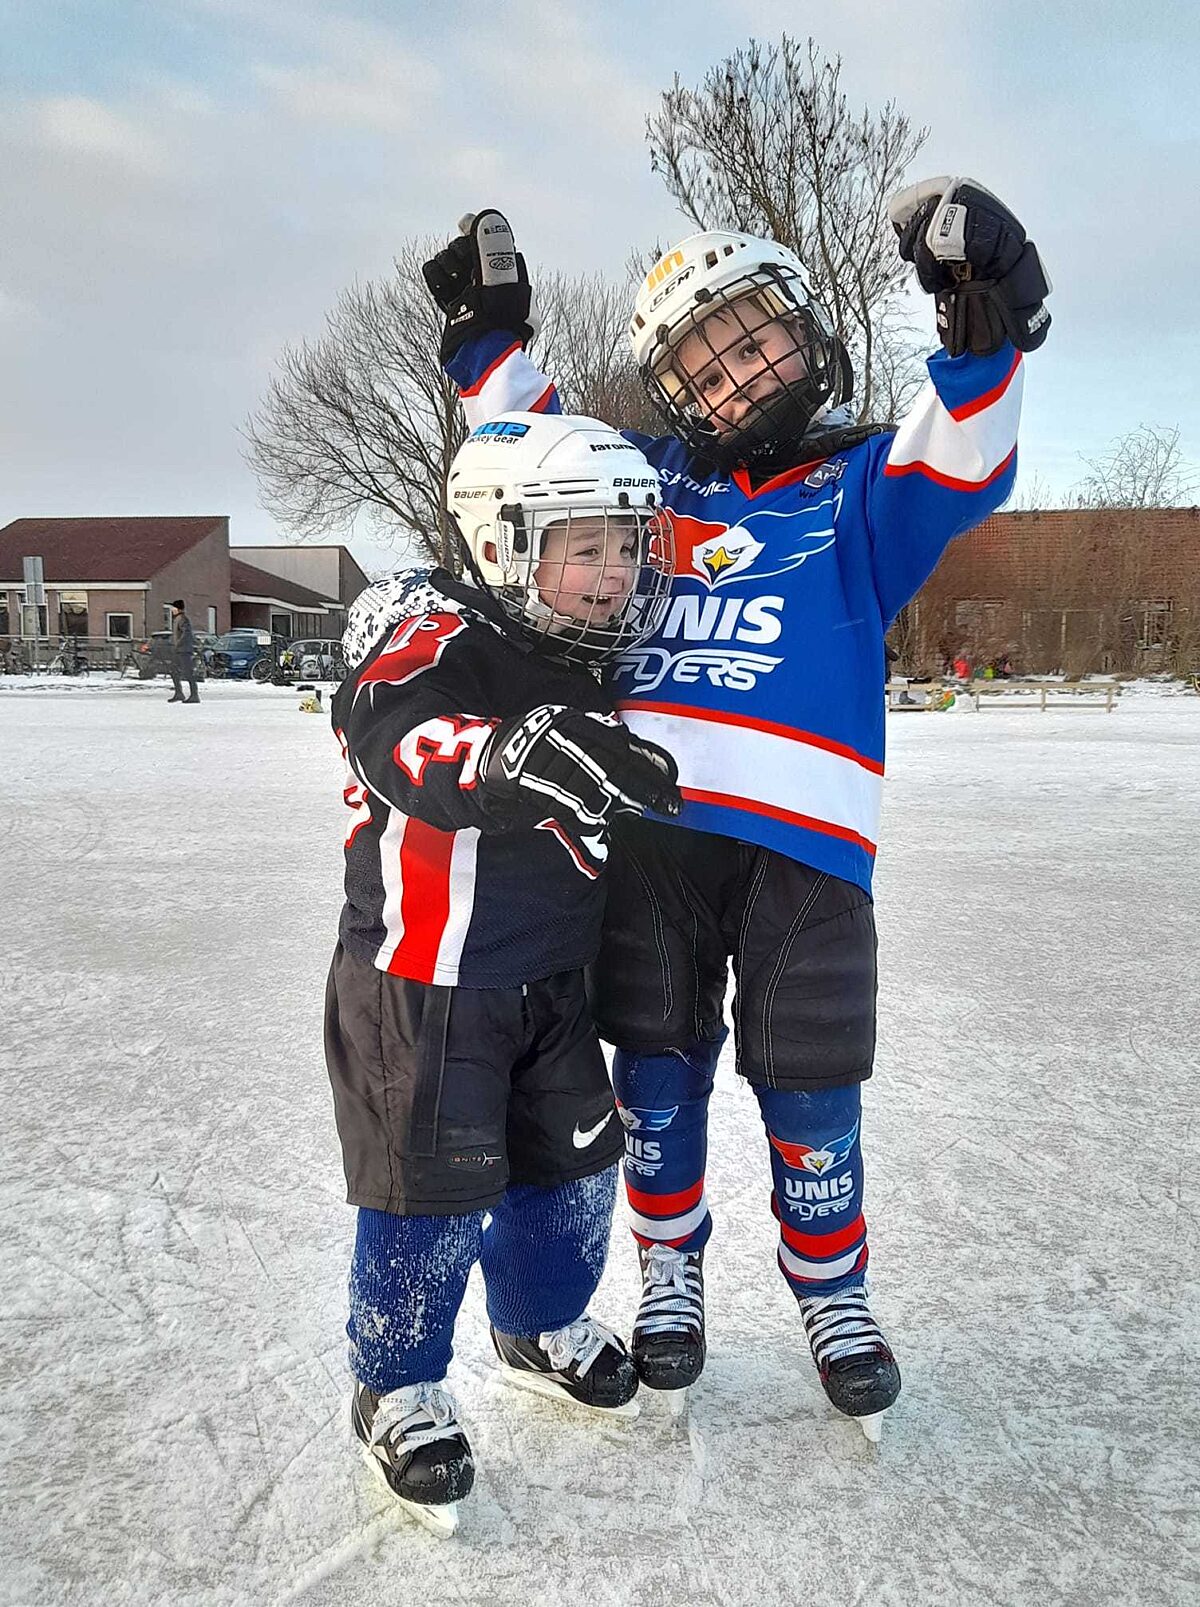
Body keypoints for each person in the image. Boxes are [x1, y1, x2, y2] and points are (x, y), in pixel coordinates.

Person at [422, 180, 1050, 1439]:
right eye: (705, 367)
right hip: (647, 842)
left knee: (813, 1086)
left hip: (807, 852)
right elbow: (537, 445)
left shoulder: (863, 487)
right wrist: (487, 340)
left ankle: (834, 1290)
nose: (738, 376)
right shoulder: (648, 483)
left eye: (753, 340)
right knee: (655, 1078)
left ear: (804, 331)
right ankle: (670, 1272)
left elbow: (966, 448)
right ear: (678, 394)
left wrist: (988, 309)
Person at [324, 411, 681, 1533]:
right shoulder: (434, 628)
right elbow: (394, 733)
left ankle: (537, 1321)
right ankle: (395, 1382)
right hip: (429, 980)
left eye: (626, 546)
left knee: (570, 1170)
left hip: (551, 976)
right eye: (587, 547)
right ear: (501, 543)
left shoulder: (593, 648)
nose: (614, 573)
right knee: (429, 1189)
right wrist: (506, 751)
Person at [168, 599, 199, 703]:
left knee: (188, 672)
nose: (172, 610)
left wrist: (178, 643)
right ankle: (179, 693)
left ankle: (194, 695)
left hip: (183, 650)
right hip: (178, 650)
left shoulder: (182, 619)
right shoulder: (177, 619)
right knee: (173, 670)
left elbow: (186, 633)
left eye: (173, 608)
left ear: (178, 609)